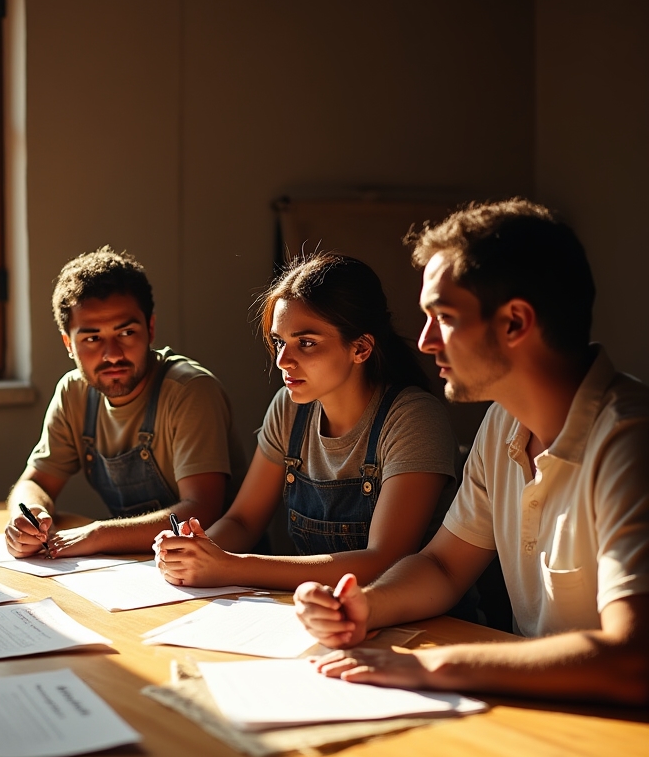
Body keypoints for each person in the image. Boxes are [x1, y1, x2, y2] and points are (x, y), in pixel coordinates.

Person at [297, 200, 649, 706]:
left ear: (514, 323)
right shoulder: (503, 421)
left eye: (443, 317)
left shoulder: (629, 439)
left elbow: (632, 658)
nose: (424, 342)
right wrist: (363, 606)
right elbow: (443, 566)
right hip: (536, 715)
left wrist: (428, 664)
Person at [154, 253, 459, 592]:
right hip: (320, 613)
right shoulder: (289, 408)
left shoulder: (412, 418)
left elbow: (383, 560)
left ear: (360, 348)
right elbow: (243, 521)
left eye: (307, 343)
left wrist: (231, 566)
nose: (283, 361)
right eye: (279, 342)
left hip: (419, 626)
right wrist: (196, 549)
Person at [6, 246, 245, 556]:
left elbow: (202, 510)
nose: (112, 354)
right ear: (68, 343)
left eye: (126, 332)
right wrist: (27, 517)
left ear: (150, 329)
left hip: (220, 575)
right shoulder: (74, 392)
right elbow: (34, 482)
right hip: (138, 565)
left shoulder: (189, 390)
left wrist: (98, 534)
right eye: (92, 338)